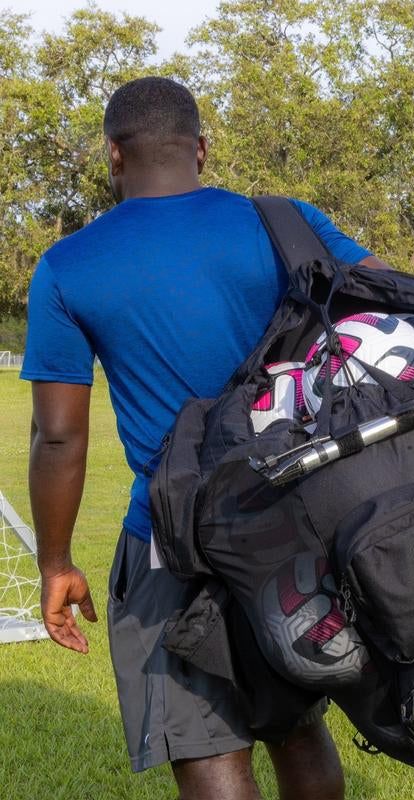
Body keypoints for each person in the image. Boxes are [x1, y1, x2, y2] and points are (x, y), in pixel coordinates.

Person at [22, 76, 391, 800]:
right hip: (297, 527)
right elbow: (396, 309)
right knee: (295, 724)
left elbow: (59, 437)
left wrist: (57, 561)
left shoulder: (67, 265)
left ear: (112, 156)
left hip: (172, 539)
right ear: (201, 147)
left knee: (208, 753)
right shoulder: (286, 221)